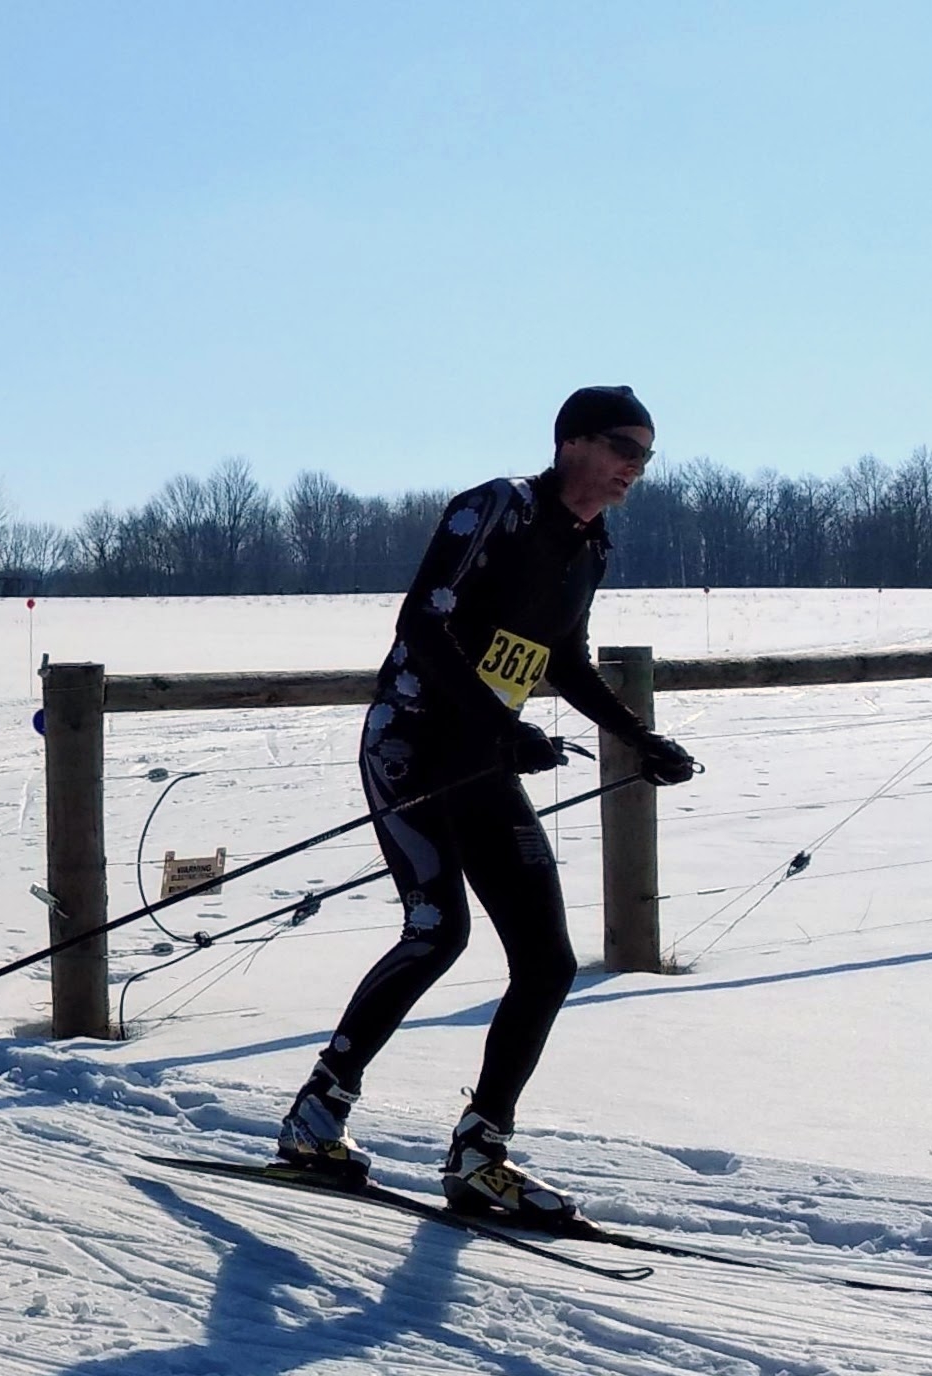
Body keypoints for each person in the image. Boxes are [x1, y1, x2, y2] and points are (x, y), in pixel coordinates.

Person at [276, 385, 699, 1225]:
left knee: (547, 962)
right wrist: (499, 727)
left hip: (481, 757)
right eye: (623, 447)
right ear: (572, 442)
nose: (635, 467)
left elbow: (561, 658)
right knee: (437, 931)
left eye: (646, 455)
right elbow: (422, 625)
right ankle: (317, 1114)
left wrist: (638, 738)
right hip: (410, 744)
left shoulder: (590, 544)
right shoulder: (498, 507)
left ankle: (479, 1153)